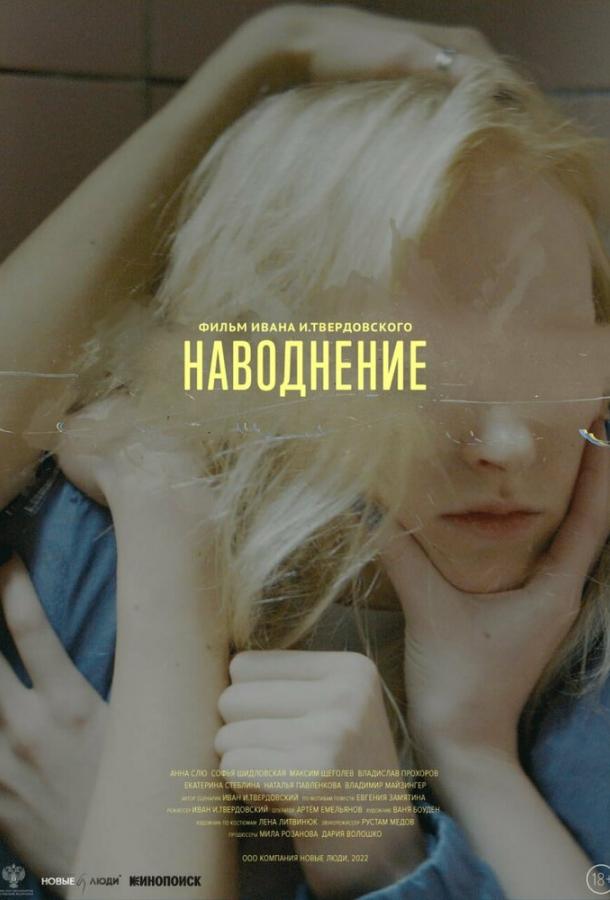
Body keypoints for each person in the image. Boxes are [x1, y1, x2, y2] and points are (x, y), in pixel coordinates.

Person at [0, 5, 608, 900]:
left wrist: (125, 851)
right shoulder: (82, 568)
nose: (507, 446)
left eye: (555, 356)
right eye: (416, 371)